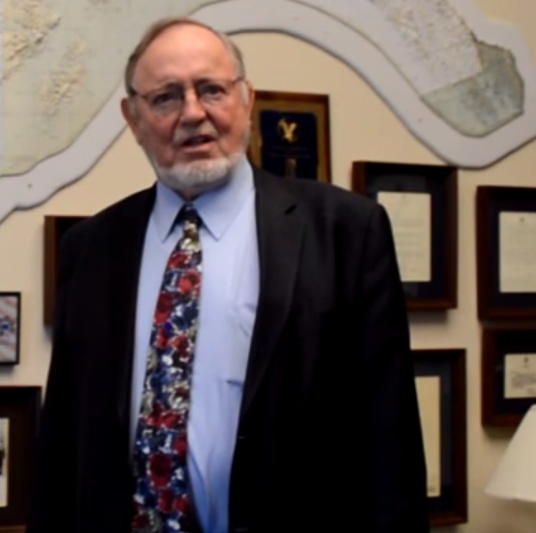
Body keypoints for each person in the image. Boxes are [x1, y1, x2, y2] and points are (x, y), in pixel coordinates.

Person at [27, 16, 430, 533]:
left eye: (212, 89)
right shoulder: (91, 249)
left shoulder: (346, 233)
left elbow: (389, 440)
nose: (194, 113)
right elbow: (61, 445)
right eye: (167, 97)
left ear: (246, 99)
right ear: (133, 118)